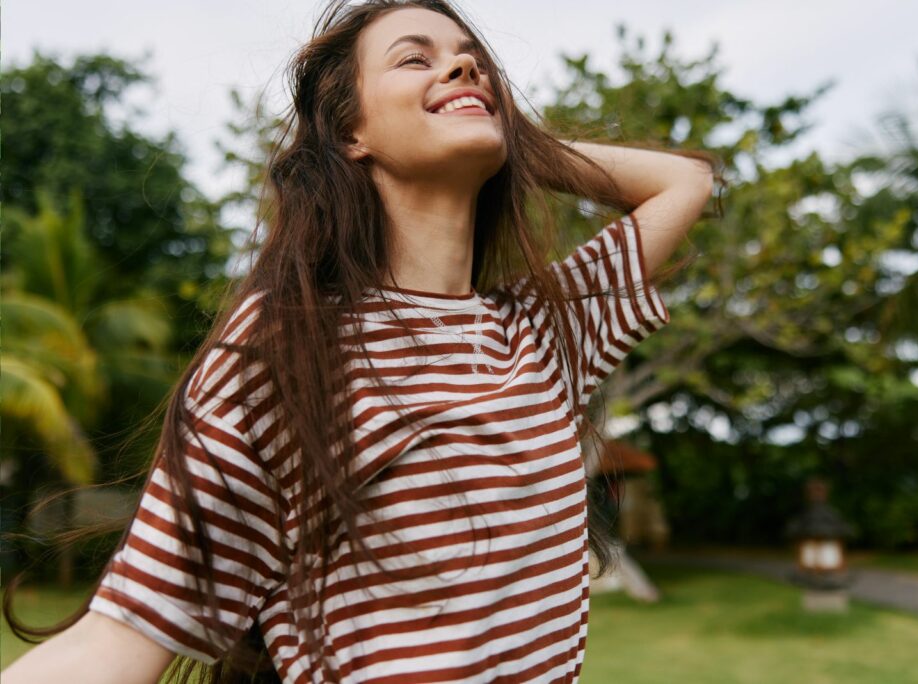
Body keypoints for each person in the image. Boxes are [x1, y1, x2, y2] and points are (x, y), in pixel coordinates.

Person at [3, 1, 719, 682]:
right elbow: (123, 636)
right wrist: (471, 111)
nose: (464, 70)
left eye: (475, 63)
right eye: (415, 59)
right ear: (351, 134)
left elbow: (682, 182)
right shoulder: (287, 346)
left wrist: (511, 137)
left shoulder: (538, 332)